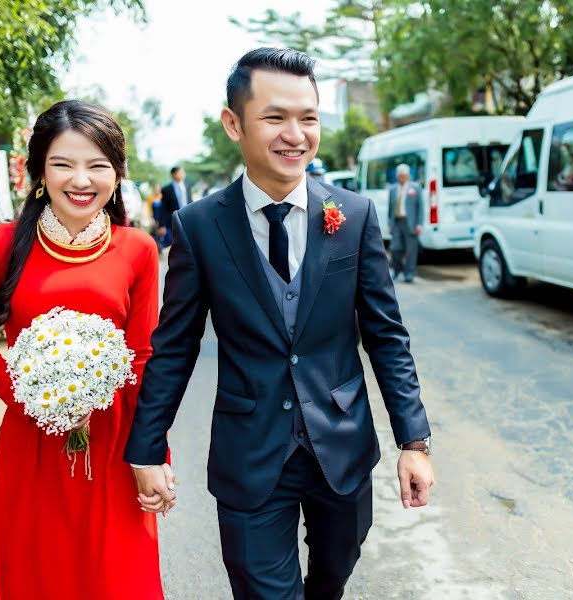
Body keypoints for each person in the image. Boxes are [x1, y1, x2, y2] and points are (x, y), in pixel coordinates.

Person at [124, 48, 434, 599]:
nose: (296, 134)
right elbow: (174, 348)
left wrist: (415, 441)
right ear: (234, 124)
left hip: (340, 445)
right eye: (275, 118)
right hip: (250, 453)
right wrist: (147, 449)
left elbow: (386, 335)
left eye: (308, 118)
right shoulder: (197, 227)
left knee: (333, 575)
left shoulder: (354, 215)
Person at [0, 100, 165, 599]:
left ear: (116, 175)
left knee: (121, 580)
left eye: (98, 165)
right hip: (33, 447)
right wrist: (31, 396)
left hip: (115, 447)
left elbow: (142, 359)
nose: (81, 179)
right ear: (40, 173)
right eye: (63, 164)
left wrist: (153, 452)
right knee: (40, 577)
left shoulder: (137, 248)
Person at [386, 163, 423, 283]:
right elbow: (390, 208)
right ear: (397, 176)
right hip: (397, 222)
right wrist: (389, 223)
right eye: (400, 175)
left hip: (410, 222)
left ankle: (409, 273)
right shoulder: (392, 189)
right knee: (395, 248)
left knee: (411, 250)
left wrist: (419, 224)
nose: (402, 178)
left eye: (404, 175)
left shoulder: (415, 188)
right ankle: (397, 270)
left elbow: (420, 208)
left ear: (408, 176)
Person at [157, 165, 192, 247]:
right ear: (173, 175)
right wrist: (162, 225)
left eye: (183, 172)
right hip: (173, 221)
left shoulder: (187, 187)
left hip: (188, 219)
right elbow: (163, 208)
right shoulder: (167, 189)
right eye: (180, 173)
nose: (182, 174)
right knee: (176, 243)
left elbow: (190, 202)